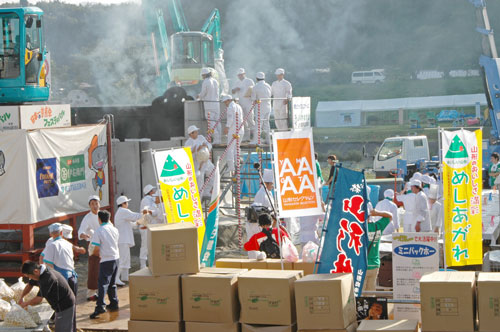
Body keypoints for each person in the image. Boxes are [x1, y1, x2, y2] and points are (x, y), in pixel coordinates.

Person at [20, 261, 76, 332]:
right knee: (60, 327)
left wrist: (25, 304)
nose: (30, 278)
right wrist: (21, 297)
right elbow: (30, 285)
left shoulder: (47, 277)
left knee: (62, 329)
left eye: (29, 276)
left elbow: (38, 299)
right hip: (58, 303)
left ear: (35, 271)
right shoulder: (39, 272)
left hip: (65, 304)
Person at [90, 210, 120, 319]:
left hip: (106, 259)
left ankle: (100, 307)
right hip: (116, 258)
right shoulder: (114, 229)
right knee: (112, 283)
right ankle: (114, 303)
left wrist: (94, 255)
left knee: (102, 284)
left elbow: (96, 248)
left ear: (99, 219)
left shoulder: (99, 230)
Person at [114, 195, 148, 285]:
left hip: (124, 240)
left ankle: (125, 277)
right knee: (123, 259)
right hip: (123, 240)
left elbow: (132, 224)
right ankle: (116, 278)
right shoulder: (123, 211)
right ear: (123, 204)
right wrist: (144, 213)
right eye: (126, 202)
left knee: (126, 259)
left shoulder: (122, 213)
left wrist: (140, 220)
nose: (127, 204)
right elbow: (135, 216)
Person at [77, 195, 101, 301]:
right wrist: (84, 235)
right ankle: (91, 293)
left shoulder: (103, 214)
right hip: (94, 245)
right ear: (89, 206)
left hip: (104, 245)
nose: (95, 206)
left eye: (96, 203)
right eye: (92, 204)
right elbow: (81, 230)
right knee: (93, 268)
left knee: (103, 268)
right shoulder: (88, 217)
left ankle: (102, 289)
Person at [363, 209, 392, 292]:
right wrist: (377, 213)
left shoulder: (359, 229)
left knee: (361, 293)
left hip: (363, 265)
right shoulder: (378, 226)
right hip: (375, 264)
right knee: (371, 292)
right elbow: (390, 216)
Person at [185, 125, 214, 189]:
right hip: (197, 164)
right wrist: (196, 150)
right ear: (191, 134)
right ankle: (200, 197)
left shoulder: (201, 137)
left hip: (206, 160)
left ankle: (207, 191)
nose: (197, 133)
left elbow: (209, 145)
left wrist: (206, 146)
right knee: (200, 182)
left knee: (213, 173)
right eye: (195, 132)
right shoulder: (188, 143)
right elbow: (187, 155)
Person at [138, 184, 159, 269]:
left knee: (150, 246)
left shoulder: (150, 199)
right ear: (150, 192)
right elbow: (151, 212)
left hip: (150, 226)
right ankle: (142, 265)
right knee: (145, 246)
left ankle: (149, 263)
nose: (154, 191)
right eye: (153, 190)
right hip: (146, 226)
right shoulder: (146, 200)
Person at [198, 67, 221, 144]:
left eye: (202, 75)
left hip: (209, 105)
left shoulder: (206, 82)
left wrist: (199, 96)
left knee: (211, 122)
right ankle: (219, 138)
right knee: (217, 121)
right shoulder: (215, 81)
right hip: (216, 104)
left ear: (204, 75)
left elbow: (203, 93)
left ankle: (216, 138)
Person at [232, 68, 255, 141]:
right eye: (239, 75)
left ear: (244, 74)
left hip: (248, 102)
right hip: (241, 103)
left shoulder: (249, 81)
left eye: (241, 74)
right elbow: (232, 92)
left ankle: (255, 136)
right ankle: (247, 137)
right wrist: (235, 90)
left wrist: (253, 99)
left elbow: (254, 91)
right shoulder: (237, 83)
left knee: (250, 119)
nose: (240, 76)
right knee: (243, 120)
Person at [222, 95, 244, 173]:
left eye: (225, 102)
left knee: (230, 148)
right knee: (236, 148)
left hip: (233, 131)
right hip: (240, 130)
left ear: (228, 100)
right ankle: (237, 164)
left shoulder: (230, 108)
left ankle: (231, 166)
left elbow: (230, 119)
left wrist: (227, 127)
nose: (225, 104)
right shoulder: (238, 106)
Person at [250, 72, 272, 145]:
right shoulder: (268, 85)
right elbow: (270, 94)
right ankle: (268, 140)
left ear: (256, 78)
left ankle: (256, 140)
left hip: (260, 107)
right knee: (266, 124)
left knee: (258, 124)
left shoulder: (255, 87)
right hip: (268, 106)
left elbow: (253, 98)